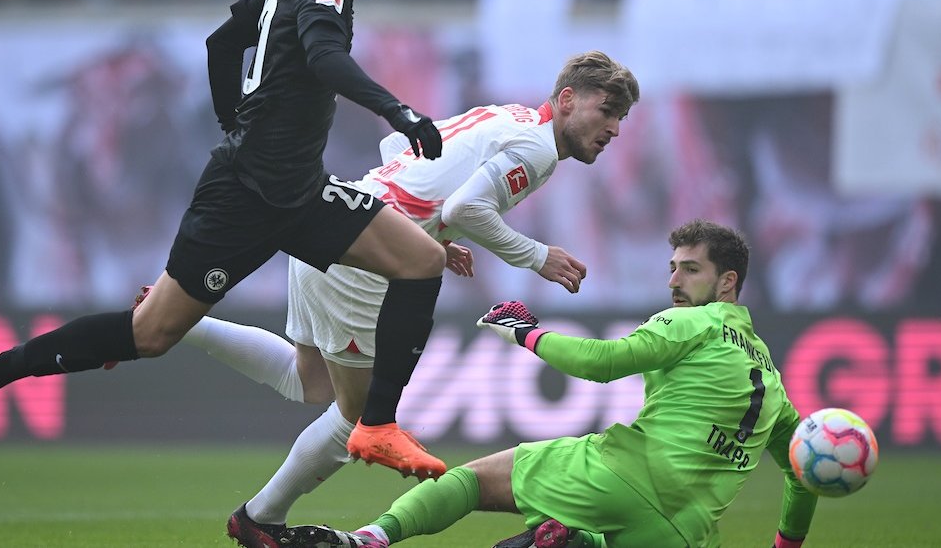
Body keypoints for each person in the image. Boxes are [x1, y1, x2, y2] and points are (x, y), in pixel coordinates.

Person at [0, 0, 452, 479]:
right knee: (150, 334)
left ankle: (377, 427)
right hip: (246, 197)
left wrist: (235, 123)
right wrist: (399, 111)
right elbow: (324, 57)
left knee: (421, 260)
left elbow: (221, 42)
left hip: (300, 191)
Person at [158, 50, 639, 548]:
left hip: (338, 219)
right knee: (357, 414)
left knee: (311, 380)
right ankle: (260, 518)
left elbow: (400, 148)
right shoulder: (538, 150)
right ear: (567, 99)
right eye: (606, 111)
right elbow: (466, 207)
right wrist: (537, 256)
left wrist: (426, 237)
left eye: (621, 117)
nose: (614, 128)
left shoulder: (507, 117)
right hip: (358, 261)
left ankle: (177, 320)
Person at [282, 219, 819, 548]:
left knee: (471, 480)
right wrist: (786, 544)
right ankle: (576, 541)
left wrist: (527, 333)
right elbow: (802, 473)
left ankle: (370, 539)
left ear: (728, 283)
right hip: (684, 534)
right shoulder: (772, 382)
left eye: (690, 270)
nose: (673, 281)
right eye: (673, 267)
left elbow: (605, 362)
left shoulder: (693, 322)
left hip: (619, 477)